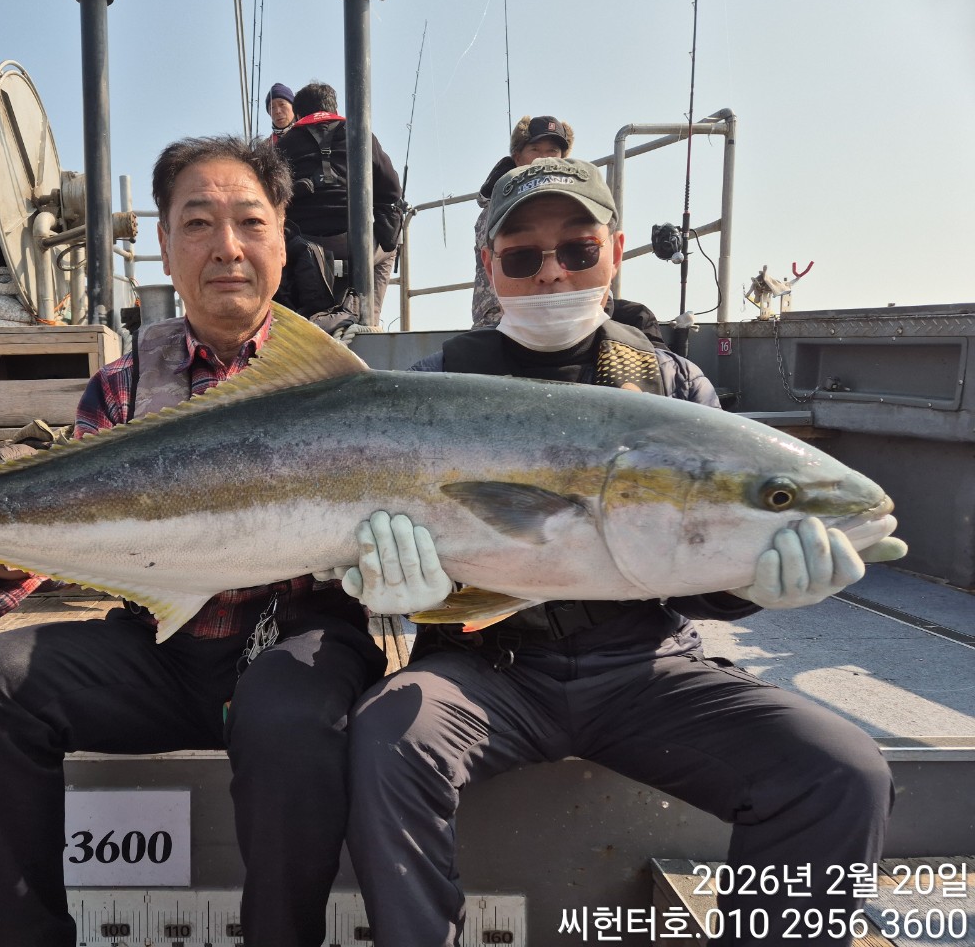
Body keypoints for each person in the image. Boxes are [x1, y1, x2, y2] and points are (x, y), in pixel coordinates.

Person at [0, 135, 388, 947]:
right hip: (162, 646)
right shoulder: (122, 387)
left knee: (288, 717)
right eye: (197, 223)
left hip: (296, 642)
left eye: (248, 222)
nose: (226, 247)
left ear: (282, 235)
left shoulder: (346, 390)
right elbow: (56, 529)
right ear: (163, 244)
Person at [339, 157, 896, 947]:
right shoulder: (435, 388)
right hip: (486, 669)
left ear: (617, 251)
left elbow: (693, 565)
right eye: (523, 256)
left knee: (842, 773)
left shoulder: (670, 385)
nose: (552, 272)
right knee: (389, 741)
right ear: (488, 265)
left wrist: (753, 587)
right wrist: (399, 588)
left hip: (647, 667)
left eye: (578, 248)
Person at [470, 115, 666, 347]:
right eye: (535, 149)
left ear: (615, 254)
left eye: (553, 150)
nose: (544, 157)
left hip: (577, 314)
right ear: (517, 156)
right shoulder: (493, 212)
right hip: (506, 319)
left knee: (639, 319)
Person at [275, 81, 403, 324]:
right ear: (333, 108)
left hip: (303, 246)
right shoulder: (363, 136)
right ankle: (369, 321)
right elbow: (392, 190)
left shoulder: (284, 145)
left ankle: (299, 321)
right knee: (390, 248)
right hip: (355, 245)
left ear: (299, 114)